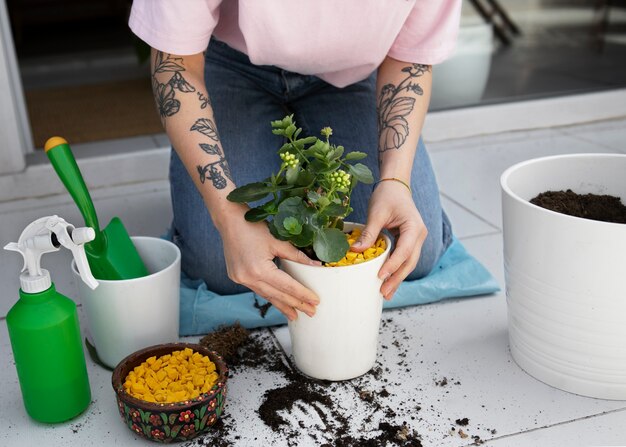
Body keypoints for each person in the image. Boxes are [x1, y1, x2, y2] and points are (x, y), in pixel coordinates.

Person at [129, 0, 460, 321]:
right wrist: (227, 216)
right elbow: (176, 64)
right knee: (220, 264)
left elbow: (410, 59)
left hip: (353, 74)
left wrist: (396, 181)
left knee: (410, 251)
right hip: (228, 63)